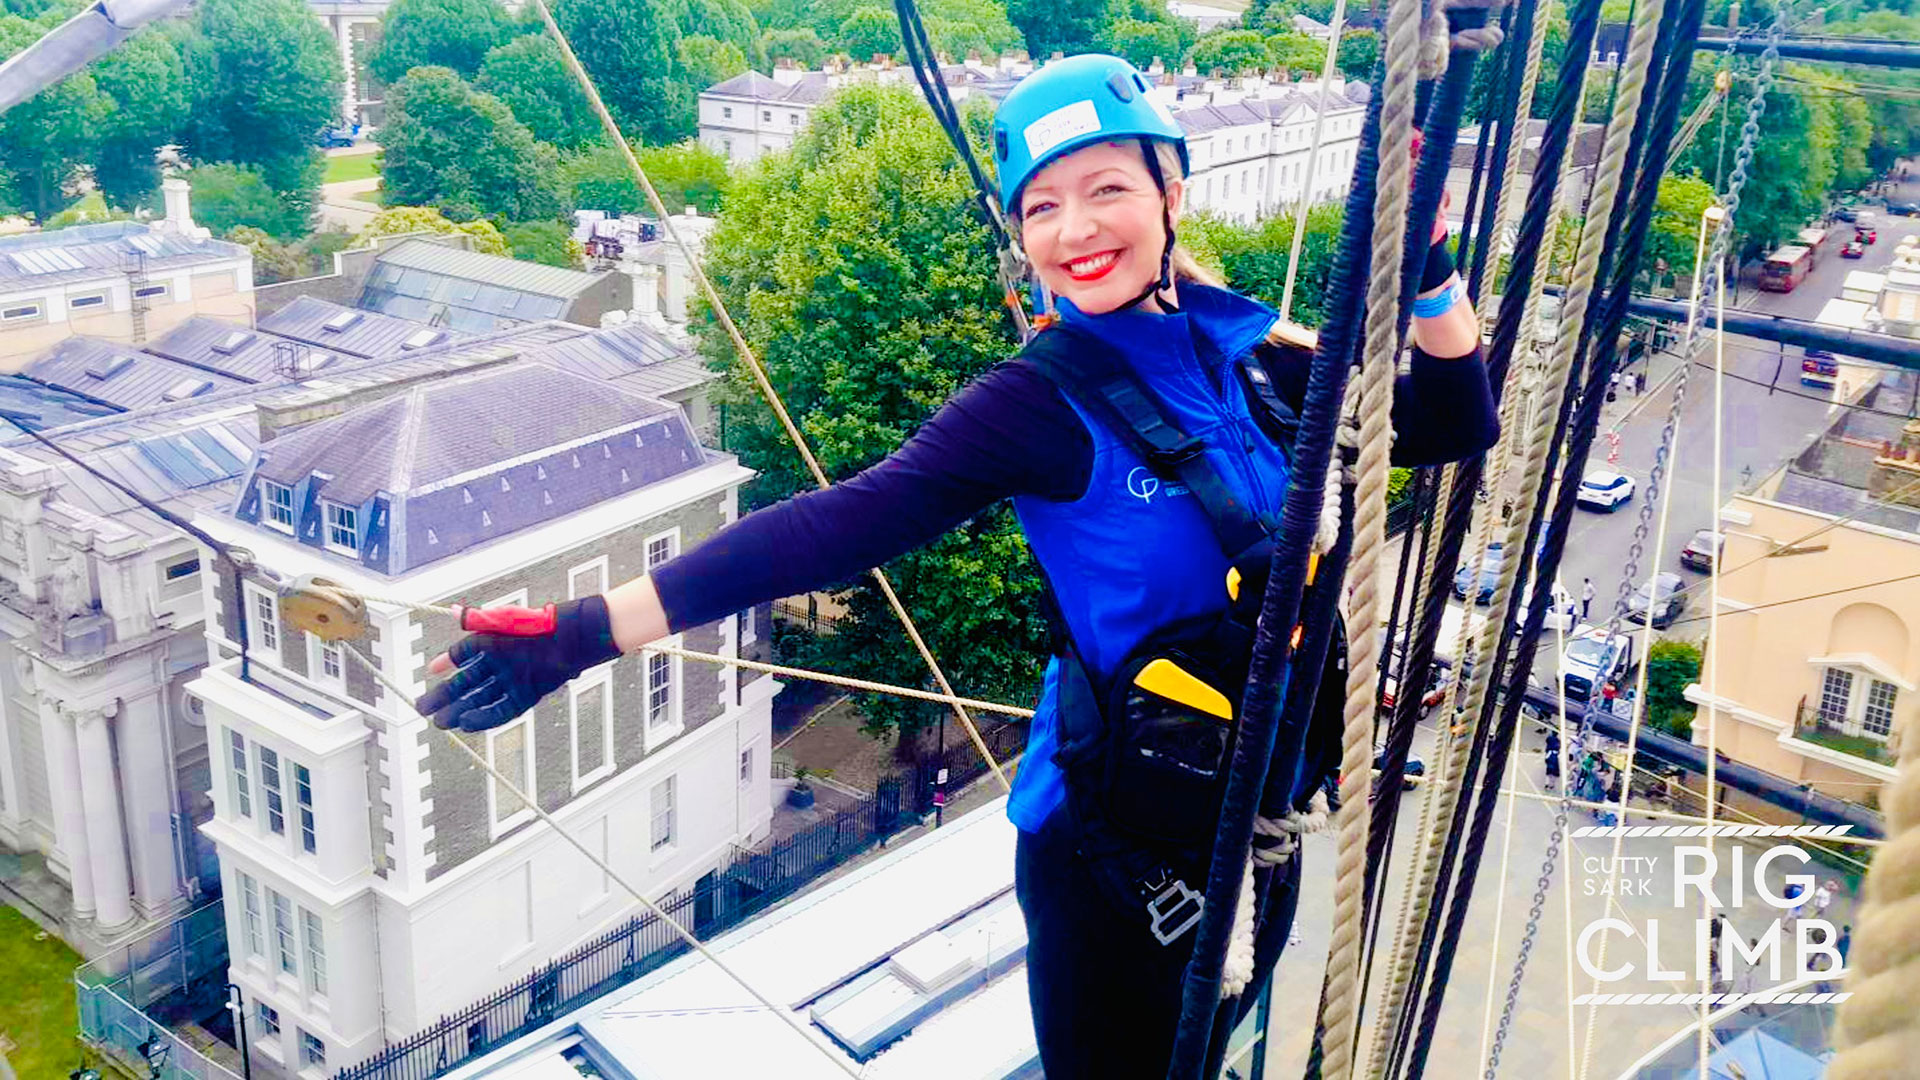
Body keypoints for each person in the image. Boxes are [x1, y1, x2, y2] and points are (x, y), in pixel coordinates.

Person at [415, 54, 1498, 1077]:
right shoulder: (1037, 402)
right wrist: (585, 633)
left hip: (1259, 823)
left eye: (1105, 188)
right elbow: (840, 525)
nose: (1074, 229)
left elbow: (1453, 418)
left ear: (1171, 191)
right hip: (1114, 860)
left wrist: (1433, 266)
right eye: (1041, 206)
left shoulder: (1257, 356)